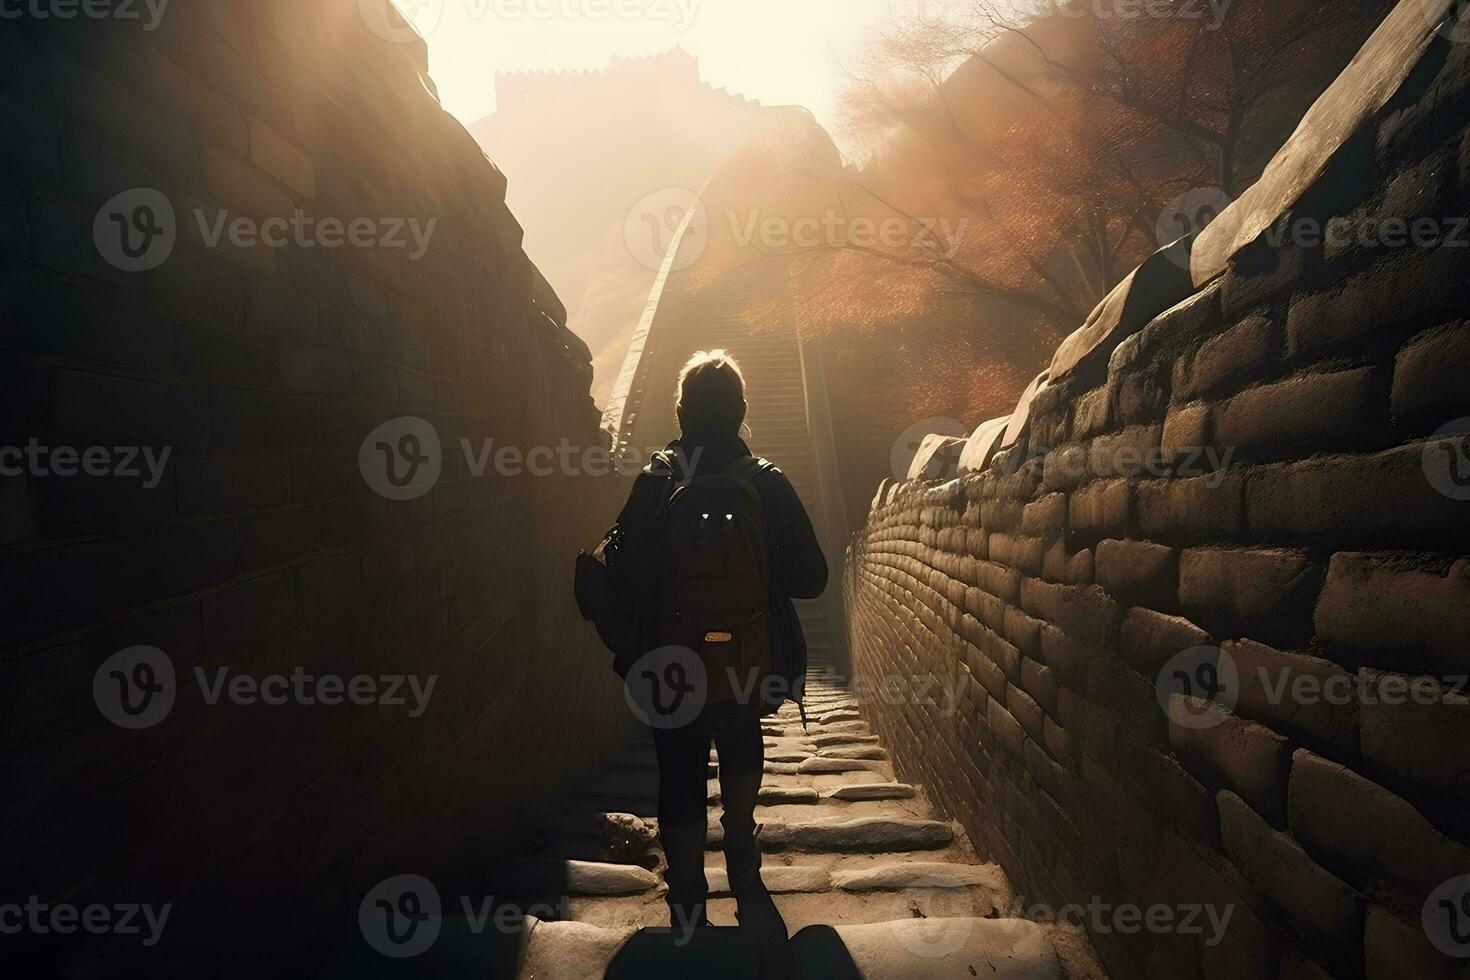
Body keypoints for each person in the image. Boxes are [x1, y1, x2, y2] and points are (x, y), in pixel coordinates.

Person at [612, 349, 828, 944]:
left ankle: (685, 892)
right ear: (741, 413)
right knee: (740, 738)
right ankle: (741, 857)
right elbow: (813, 578)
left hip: (671, 667)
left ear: (680, 413)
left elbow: (624, 582)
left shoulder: (657, 482)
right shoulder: (767, 482)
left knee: (678, 766)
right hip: (747, 662)